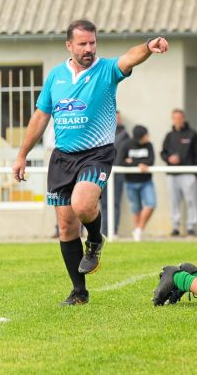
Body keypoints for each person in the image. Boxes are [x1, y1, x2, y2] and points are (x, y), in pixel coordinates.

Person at [11, 19, 168, 305]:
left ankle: (95, 239)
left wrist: (148, 46)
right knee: (66, 227)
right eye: (82, 43)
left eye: (92, 42)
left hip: (96, 153)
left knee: (82, 205)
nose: (89, 48)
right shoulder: (56, 76)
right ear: (69, 45)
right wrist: (22, 155)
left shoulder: (106, 70)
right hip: (62, 157)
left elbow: (129, 57)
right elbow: (41, 116)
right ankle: (79, 292)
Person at [161, 109, 197, 236]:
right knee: (174, 201)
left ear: (183, 118)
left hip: (188, 174)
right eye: (175, 118)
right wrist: (169, 159)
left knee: (190, 200)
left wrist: (196, 173)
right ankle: (175, 226)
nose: (177, 120)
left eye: (179, 118)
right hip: (172, 174)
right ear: (172, 119)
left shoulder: (192, 134)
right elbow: (163, 152)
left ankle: (191, 226)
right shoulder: (169, 135)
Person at [119, 125, 156, 242]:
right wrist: (138, 164)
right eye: (146, 135)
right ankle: (137, 235)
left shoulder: (149, 145)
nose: (148, 137)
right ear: (140, 136)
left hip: (146, 181)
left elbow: (151, 160)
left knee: (151, 204)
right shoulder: (126, 144)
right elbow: (120, 161)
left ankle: (138, 229)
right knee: (136, 209)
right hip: (130, 182)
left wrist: (132, 161)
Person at [100, 110, 129, 236]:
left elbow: (127, 152)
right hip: (102, 173)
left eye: (118, 118)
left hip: (117, 174)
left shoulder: (125, 135)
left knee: (115, 202)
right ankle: (104, 230)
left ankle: (114, 230)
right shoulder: (101, 133)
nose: (117, 120)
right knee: (103, 203)